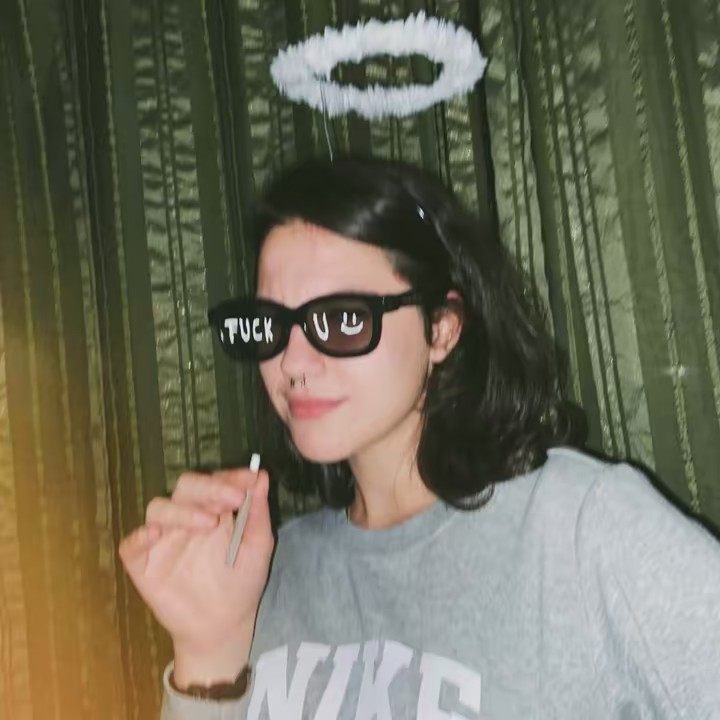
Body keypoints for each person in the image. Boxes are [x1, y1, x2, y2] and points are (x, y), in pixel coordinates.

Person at [119, 156, 720, 719]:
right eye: (271, 324)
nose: (292, 362)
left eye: (343, 318)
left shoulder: (581, 527)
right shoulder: (263, 570)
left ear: (442, 329)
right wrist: (208, 652)